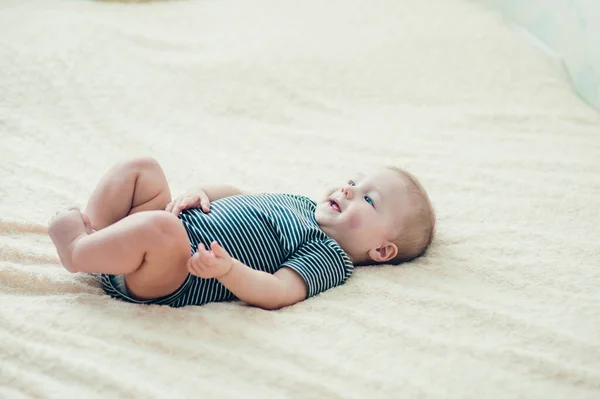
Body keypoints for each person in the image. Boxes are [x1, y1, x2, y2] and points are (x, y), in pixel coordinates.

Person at [48, 157, 435, 310]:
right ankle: (96, 230)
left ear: (381, 251)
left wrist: (227, 271)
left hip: (171, 273)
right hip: (159, 232)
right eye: (353, 181)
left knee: (163, 230)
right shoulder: (300, 204)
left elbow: (280, 291)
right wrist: (201, 193)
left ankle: (77, 251)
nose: (348, 189)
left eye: (369, 200)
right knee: (142, 170)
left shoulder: (329, 255)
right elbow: (240, 198)